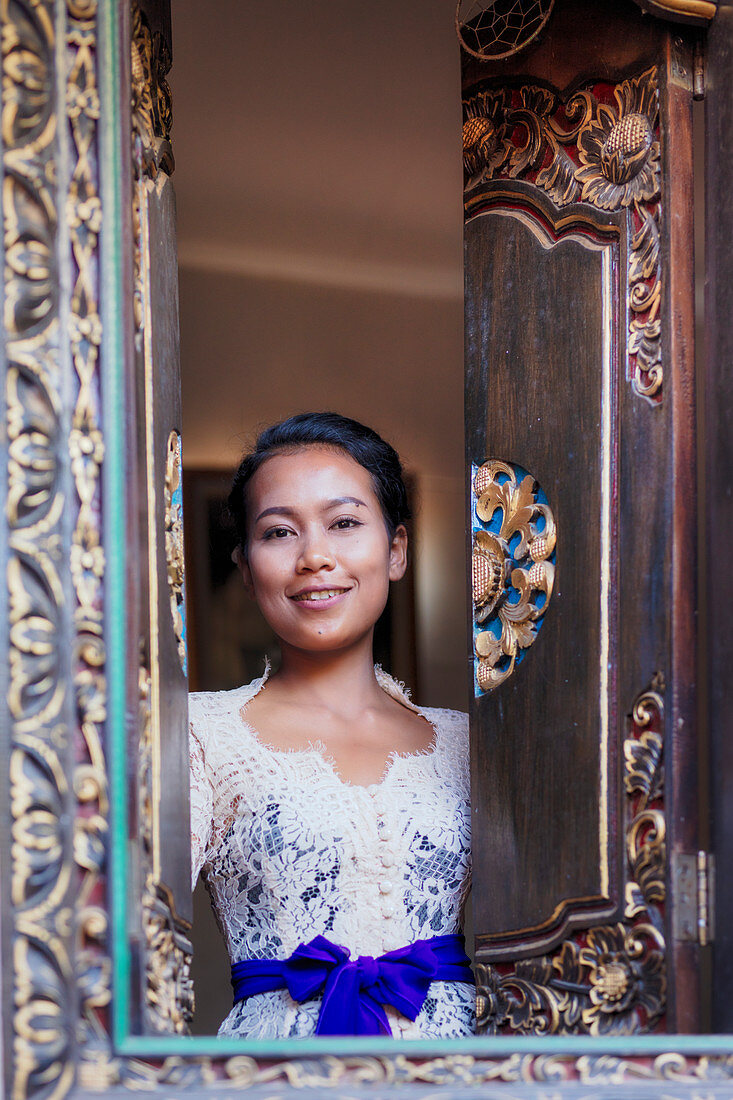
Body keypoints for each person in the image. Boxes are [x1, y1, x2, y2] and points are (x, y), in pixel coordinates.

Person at [188, 412, 474, 1038]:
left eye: (344, 523)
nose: (315, 556)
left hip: (466, 1072)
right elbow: (128, 929)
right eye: (279, 532)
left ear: (396, 550)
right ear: (245, 565)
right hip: (275, 1075)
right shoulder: (200, 736)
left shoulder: (469, 743)